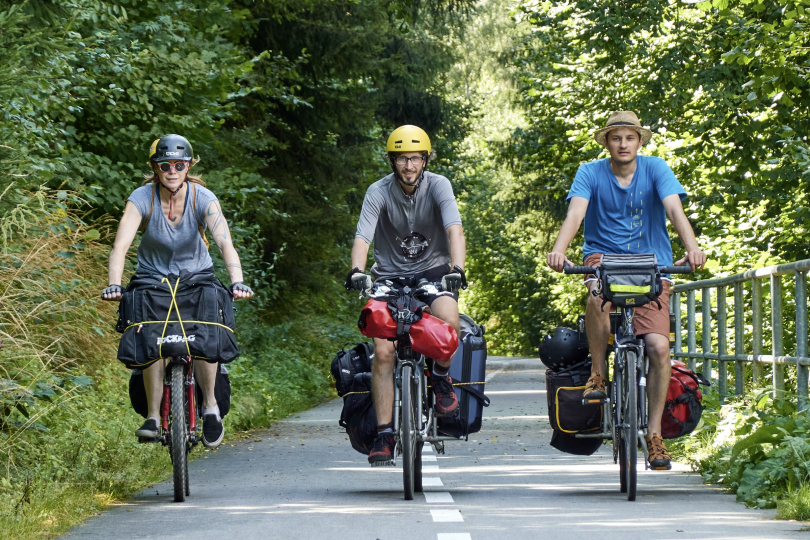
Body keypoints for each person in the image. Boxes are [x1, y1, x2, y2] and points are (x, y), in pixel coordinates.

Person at [546, 111, 707, 470]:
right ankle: (598, 374)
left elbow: (673, 209)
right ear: (607, 142)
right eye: (616, 138)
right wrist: (560, 249)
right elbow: (576, 214)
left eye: (629, 138)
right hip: (604, 258)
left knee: (658, 346)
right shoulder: (590, 172)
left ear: (639, 141)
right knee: (596, 296)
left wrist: (692, 246)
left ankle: (654, 437)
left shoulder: (656, 169)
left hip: (651, 263)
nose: (623, 144)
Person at [101, 134, 253, 448]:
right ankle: (153, 416)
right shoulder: (142, 198)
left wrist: (237, 280)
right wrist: (115, 284)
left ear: (188, 166)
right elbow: (120, 246)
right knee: (150, 336)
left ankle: (210, 406)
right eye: (165, 164)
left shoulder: (203, 198)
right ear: (155, 168)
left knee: (207, 331)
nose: (172, 170)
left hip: (197, 277)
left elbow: (224, 242)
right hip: (152, 279)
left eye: (179, 164)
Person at [346, 125, 467, 466]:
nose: (409, 166)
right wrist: (357, 271)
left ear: (425, 160)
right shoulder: (378, 192)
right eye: (402, 159)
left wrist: (456, 268)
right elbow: (362, 237)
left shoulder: (439, 186)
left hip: (432, 274)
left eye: (415, 158)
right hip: (388, 278)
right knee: (383, 351)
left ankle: (441, 379)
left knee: (449, 318)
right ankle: (385, 433)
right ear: (392, 161)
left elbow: (454, 229)